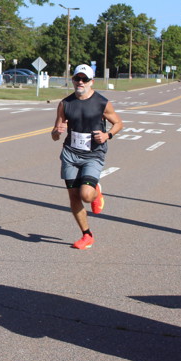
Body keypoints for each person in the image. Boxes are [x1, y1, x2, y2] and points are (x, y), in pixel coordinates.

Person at [50, 64, 123, 250]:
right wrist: (57, 132)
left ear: (92, 82)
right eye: (77, 78)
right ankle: (87, 235)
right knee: (74, 197)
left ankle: (96, 192)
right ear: (73, 80)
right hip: (70, 154)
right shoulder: (65, 104)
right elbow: (55, 134)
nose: (80, 82)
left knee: (86, 195)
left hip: (93, 154)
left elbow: (118, 123)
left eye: (84, 79)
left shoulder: (102, 103)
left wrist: (107, 135)